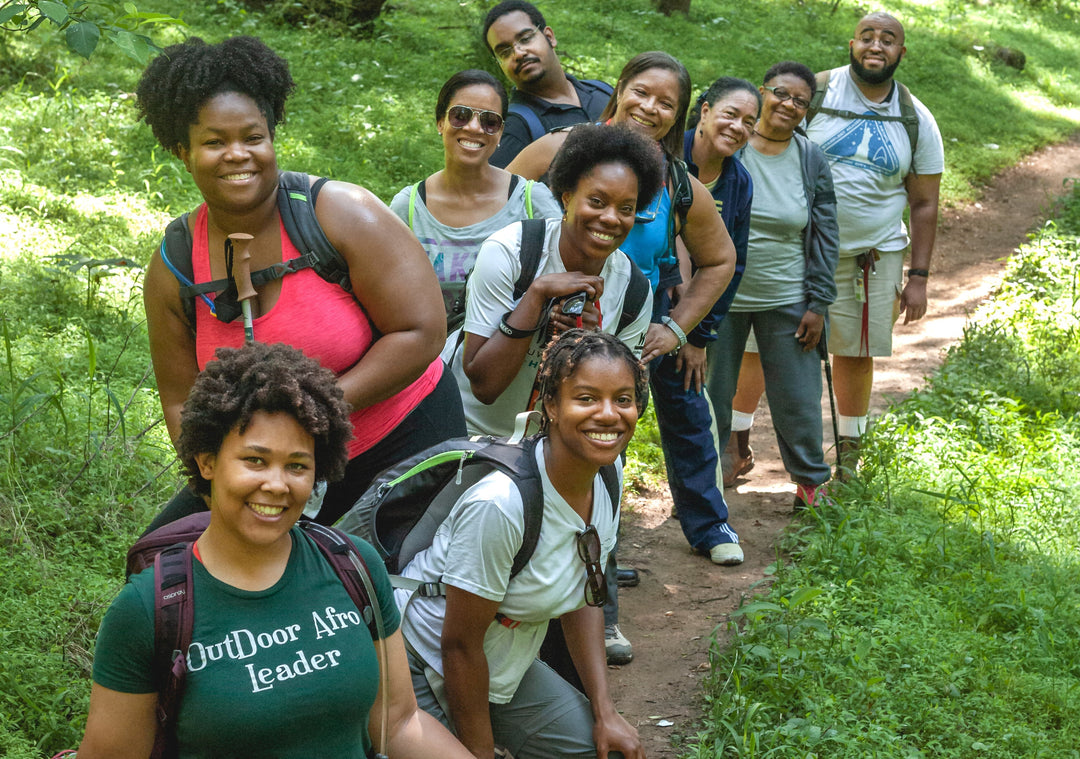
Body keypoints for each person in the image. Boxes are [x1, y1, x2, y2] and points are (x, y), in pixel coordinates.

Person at [77, 342, 473, 758]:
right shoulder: (148, 611)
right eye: (255, 460)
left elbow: (400, 724)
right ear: (207, 462)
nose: (278, 484)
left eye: (298, 465)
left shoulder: (353, 566)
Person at [136, 36, 465, 530]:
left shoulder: (342, 215)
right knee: (160, 557)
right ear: (183, 151)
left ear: (272, 137)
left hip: (398, 442)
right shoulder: (175, 266)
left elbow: (421, 333)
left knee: (365, 589)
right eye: (213, 142)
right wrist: (218, 477)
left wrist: (307, 417)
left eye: (253, 137)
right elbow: (181, 400)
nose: (237, 155)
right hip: (271, 473)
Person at [508, 52, 736, 660]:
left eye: (667, 102)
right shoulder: (560, 148)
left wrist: (678, 329)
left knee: (596, 470)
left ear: (680, 115)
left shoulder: (679, 182)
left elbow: (720, 260)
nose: (650, 108)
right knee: (515, 464)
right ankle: (509, 598)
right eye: (641, 92)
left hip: (618, 347)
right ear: (619, 90)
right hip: (529, 335)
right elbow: (499, 204)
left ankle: (597, 613)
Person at [400, 329, 647, 759]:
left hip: (501, 663)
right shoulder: (501, 504)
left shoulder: (606, 475)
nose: (608, 415)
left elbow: (584, 593)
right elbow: (457, 645)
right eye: (586, 398)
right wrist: (478, 750)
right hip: (421, 662)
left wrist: (606, 712)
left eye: (623, 400)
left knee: (598, 750)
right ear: (550, 405)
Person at [451, 122, 662, 440]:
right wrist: (535, 298)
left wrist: (592, 344)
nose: (610, 217)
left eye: (626, 208)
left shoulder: (634, 290)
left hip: (556, 449)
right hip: (469, 434)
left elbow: (625, 402)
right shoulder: (512, 252)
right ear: (567, 198)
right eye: (597, 201)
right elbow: (484, 386)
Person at [803, 12, 944, 476]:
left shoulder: (916, 118)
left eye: (889, 39)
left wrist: (919, 278)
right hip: (799, 248)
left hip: (873, 254)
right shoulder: (816, 93)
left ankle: (849, 454)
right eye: (868, 36)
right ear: (852, 44)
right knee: (763, 349)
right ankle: (739, 441)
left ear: (902, 52)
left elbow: (924, 203)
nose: (876, 45)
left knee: (855, 351)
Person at [704, 61, 839, 511]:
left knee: (799, 400)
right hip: (719, 297)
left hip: (788, 296)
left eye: (801, 100)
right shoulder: (728, 147)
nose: (789, 104)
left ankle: (811, 492)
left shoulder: (810, 158)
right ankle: (703, 493)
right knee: (710, 399)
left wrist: (819, 301)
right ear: (762, 92)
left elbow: (825, 231)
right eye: (781, 93)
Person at [656, 76, 757, 561]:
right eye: (731, 114)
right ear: (704, 110)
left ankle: (711, 526)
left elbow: (730, 264)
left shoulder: (738, 182)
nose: (738, 127)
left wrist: (699, 335)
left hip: (689, 319)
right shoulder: (667, 163)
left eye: (749, 123)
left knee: (691, 411)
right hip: (644, 301)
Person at [389, 69, 561, 347]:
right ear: (440, 122)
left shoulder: (532, 202)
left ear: (501, 131)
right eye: (460, 115)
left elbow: (565, 278)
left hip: (511, 366)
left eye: (489, 121)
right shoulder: (407, 208)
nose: (473, 128)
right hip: (429, 369)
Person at [483, 0, 613, 168]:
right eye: (505, 51)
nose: (518, 53)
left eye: (525, 39)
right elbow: (493, 193)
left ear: (549, 37)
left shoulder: (602, 91)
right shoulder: (513, 129)